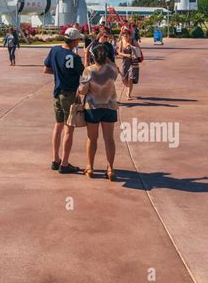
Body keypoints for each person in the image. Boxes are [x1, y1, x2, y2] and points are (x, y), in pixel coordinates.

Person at [43, 27, 84, 174]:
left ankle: (55, 159)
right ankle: (65, 164)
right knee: (69, 128)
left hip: (57, 92)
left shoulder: (54, 50)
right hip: (69, 94)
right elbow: (84, 74)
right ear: (74, 41)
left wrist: (60, 72)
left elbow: (46, 69)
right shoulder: (75, 57)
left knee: (58, 126)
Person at [78, 43, 119, 180]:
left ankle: (90, 167)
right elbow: (114, 69)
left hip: (93, 108)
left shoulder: (88, 70)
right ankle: (111, 168)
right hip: (109, 107)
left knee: (92, 138)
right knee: (109, 139)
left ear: (93, 57)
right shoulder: (113, 69)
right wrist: (107, 58)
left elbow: (82, 90)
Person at [118, 29, 140, 100]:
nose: (125, 36)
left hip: (133, 62)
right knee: (124, 79)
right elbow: (119, 53)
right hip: (125, 62)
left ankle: (129, 94)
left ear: (129, 35)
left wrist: (131, 46)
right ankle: (128, 88)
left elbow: (139, 49)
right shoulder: (121, 42)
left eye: (126, 34)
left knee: (131, 78)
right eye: (123, 34)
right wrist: (126, 55)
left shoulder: (133, 41)